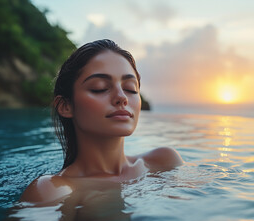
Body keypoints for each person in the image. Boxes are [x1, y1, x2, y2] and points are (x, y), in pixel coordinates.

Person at [20, 39, 184, 204]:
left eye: (130, 88)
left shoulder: (164, 161)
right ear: (65, 106)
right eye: (99, 88)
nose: (122, 97)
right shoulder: (53, 190)